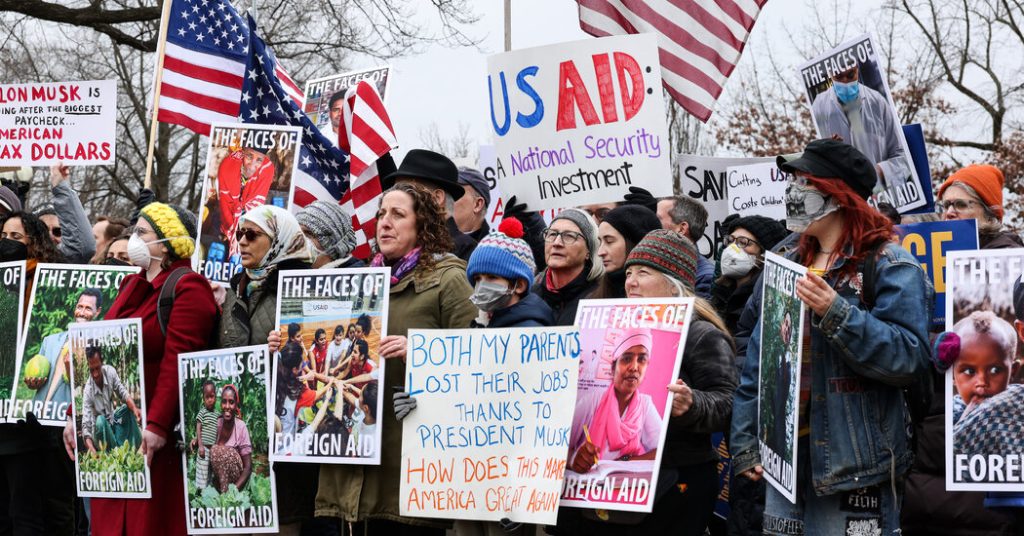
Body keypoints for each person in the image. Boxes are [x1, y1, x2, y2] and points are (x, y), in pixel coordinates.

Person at [731, 139, 932, 533]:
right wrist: (746, 441)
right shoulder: (786, 265)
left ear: (838, 194)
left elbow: (909, 358)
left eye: (805, 182)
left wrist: (836, 312)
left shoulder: (891, 264)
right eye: (792, 181)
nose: (792, 191)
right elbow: (757, 366)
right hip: (783, 466)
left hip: (853, 467)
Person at [318, 182, 477, 534]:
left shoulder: (449, 279)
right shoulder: (357, 282)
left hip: (408, 471)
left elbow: (477, 363)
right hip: (352, 467)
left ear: (422, 225)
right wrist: (285, 343)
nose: (385, 223)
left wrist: (421, 353)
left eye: (398, 215)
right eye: (381, 214)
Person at [558, 229, 737, 535]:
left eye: (643, 273)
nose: (631, 282)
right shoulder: (609, 329)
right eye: (629, 272)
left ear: (673, 285)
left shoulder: (701, 334)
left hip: (676, 488)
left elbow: (729, 404)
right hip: (608, 498)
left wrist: (692, 403)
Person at [67, 202, 218, 536]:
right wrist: (73, 416)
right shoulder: (130, 287)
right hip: (117, 449)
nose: (132, 238)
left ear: (164, 243)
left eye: (141, 232)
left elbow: (178, 361)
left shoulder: (189, 288)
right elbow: (97, 350)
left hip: (155, 447)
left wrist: (158, 425)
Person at [219, 204, 324, 533]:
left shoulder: (304, 290)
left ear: (279, 240)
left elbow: (313, 361)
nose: (243, 242)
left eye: (252, 235)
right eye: (239, 234)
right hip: (238, 435)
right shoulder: (234, 291)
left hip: (283, 444)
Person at [569, 328, 661, 472]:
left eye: (642, 359)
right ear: (613, 368)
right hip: (587, 482)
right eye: (626, 358)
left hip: (624, 485)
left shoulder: (645, 404)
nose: (634, 367)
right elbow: (558, 445)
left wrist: (627, 460)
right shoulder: (592, 402)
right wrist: (574, 459)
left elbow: (662, 450)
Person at [810, 64, 911, 194]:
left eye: (850, 75)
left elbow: (902, 156)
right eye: (839, 76)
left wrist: (881, 171)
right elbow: (814, 162)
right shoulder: (818, 107)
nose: (845, 82)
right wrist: (827, 150)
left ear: (857, 69)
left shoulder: (878, 102)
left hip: (883, 198)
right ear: (830, 74)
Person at [381, 149, 478, 261]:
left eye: (407, 191)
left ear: (437, 198)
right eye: (395, 191)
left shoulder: (468, 252)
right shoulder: (396, 249)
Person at [463, 217, 553, 328]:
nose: (482, 285)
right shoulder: (484, 323)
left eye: (492, 277)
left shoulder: (530, 331)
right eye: (477, 278)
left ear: (519, 285)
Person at [29, 289, 103, 419]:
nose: (82, 312)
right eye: (79, 306)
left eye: (88, 308)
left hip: (64, 422)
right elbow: (38, 378)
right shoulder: (49, 341)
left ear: (97, 311)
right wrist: (33, 383)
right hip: (36, 418)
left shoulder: (97, 350)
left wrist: (70, 370)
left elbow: (92, 393)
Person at [710, 215, 789, 334]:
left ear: (764, 254)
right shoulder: (719, 294)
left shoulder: (766, 302)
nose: (732, 248)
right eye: (730, 240)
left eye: (743, 242)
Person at [533, 208, 603, 325]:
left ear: (589, 251)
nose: (557, 243)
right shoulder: (529, 295)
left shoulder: (601, 298)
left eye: (569, 236)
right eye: (552, 234)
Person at [937, 164, 1023, 249]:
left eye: (961, 205)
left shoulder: (1006, 255)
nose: (949, 213)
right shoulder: (938, 252)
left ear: (989, 214)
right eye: (946, 205)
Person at [590, 204, 662, 299]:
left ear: (636, 243)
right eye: (600, 242)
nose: (600, 252)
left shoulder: (663, 297)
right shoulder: (594, 298)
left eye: (609, 241)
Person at [80, 346, 142, 454]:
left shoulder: (110, 372)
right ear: (88, 366)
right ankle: (108, 453)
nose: (95, 374)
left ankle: (135, 446)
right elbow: (86, 426)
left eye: (97, 368)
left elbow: (123, 393)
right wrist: (92, 450)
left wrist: (135, 409)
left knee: (126, 409)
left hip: (112, 422)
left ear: (102, 363)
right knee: (100, 421)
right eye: (91, 370)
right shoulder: (88, 391)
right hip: (100, 432)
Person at [218, 147, 275, 257]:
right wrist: (231, 231)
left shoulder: (267, 168)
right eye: (249, 156)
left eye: (259, 160)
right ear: (243, 152)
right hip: (223, 219)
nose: (252, 165)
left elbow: (255, 204)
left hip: (248, 220)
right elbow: (225, 203)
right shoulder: (227, 165)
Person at [654, 196, 714, 299]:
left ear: (681, 229)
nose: (651, 223)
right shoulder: (653, 264)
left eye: (657, 219)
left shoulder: (705, 277)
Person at [36, 163, 96, 264]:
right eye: (43, 231)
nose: (50, 236)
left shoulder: (64, 262)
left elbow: (82, 247)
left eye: (57, 231)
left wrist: (61, 187)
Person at [209, 384, 253, 494]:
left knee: (219, 450)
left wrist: (233, 491)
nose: (227, 406)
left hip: (235, 480)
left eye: (231, 402)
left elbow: (248, 467)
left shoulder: (241, 427)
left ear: (236, 404)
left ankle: (225, 493)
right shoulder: (216, 423)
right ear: (221, 404)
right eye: (224, 402)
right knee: (212, 450)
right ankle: (214, 486)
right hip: (218, 476)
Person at [296, 200, 363, 268]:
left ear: (334, 242)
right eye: (297, 233)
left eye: (308, 234)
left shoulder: (359, 277)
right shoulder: (289, 273)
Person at [190, 380, 219, 490]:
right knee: (202, 471)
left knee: (210, 472)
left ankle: (209, 492)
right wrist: (200, 446)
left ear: (215, 396)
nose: (210, 400)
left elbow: (219, 430)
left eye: (212, 396)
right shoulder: (202, 412)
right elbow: (198, 428)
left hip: (213, 450)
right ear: (203, 398)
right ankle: (200, 492)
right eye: (207, 397)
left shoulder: (217, 414)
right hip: (204, 449)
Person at [453, 166, 491, 241]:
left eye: (455, 192)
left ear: (477, 204)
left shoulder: (493, 251)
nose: (445, 199)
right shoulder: (431, 244)